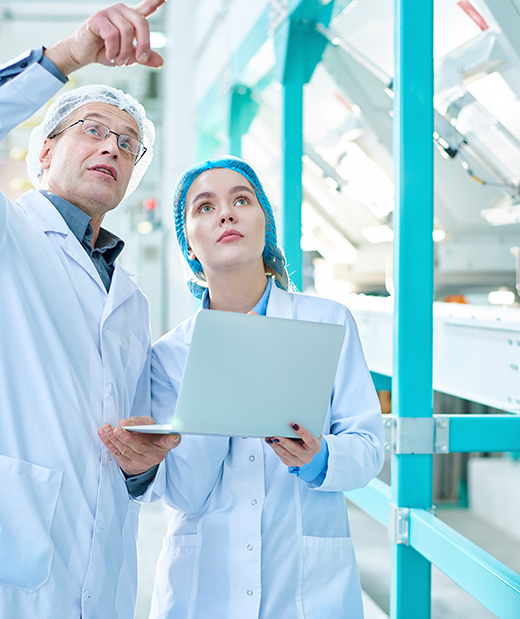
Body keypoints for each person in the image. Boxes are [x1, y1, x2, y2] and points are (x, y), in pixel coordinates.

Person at [0, 0, 180, 619]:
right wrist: (66, 55)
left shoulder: (130, 299)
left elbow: (125, 444)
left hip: (103, 569)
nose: (111, 148)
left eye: (127, 144)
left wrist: (142, 466)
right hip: (1, 559)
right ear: (44, 149)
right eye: (92, 130)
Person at [103, 156, 385, 618]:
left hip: (306, 592)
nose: (226, 214)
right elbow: (186, 494)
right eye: (205, 207)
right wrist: (219, 383)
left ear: (264, 226)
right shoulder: (170, 355)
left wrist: (320, 460)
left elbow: (369, 447)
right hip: (204, 591)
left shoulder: (326, 323)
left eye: (241, 200)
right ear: (189, 245)